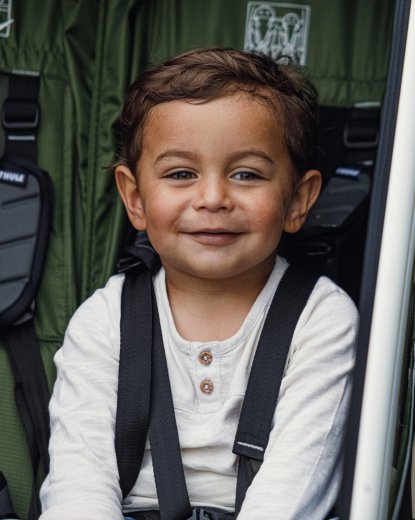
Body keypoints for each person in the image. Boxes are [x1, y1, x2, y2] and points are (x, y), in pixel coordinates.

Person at [39, 48, 357, 519]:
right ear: (135, 198)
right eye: (181, 174)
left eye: (246, 174)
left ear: (297, 200)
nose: (212, 198)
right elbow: (78, 484)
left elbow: (294, 489)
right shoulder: (106, 321)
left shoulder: (322, 321)